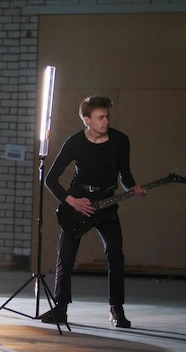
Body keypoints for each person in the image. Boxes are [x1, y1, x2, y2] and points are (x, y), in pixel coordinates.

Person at [42, 96, 146, 328]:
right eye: (100, 118)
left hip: (107, 204)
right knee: (65, 258)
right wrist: (73, 201)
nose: (106, 121)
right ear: (87, 120)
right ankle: (60, 308)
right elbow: (50, 178)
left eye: (107, 116)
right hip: (79, 206)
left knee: (116, 255)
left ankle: (116, 309)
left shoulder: (120, 141)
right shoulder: (75, 142)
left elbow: (125, 175)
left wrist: (133, 188)